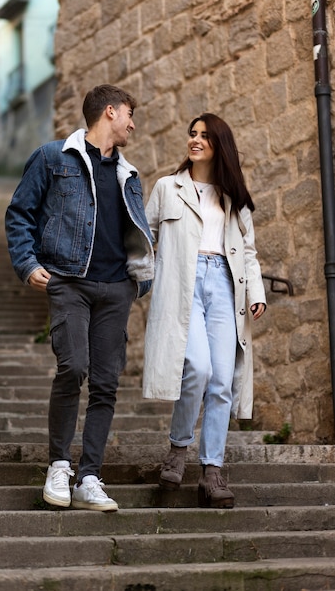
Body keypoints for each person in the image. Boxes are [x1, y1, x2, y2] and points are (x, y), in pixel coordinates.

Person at [5, 84, 154, 512]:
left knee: (106, 383)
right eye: (129, 114)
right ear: (110, 112)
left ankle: (89, 475)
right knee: (73, 367)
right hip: (68, 280)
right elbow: (20, 213)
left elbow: (135, 232)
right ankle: (58, 465)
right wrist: (28, 263)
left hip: (115, 288)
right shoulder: (54, 158)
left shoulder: (130, 174)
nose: (133, 123)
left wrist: (138, 281)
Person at [142, 113, 266, 509]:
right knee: (197, 367)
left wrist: (256, 292)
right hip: (184, 285)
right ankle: (179, 449)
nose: (194, 140)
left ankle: (212, 471)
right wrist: (142, 280)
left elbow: (248, 251)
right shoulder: (167, 187)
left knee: (223, 381)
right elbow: (145, 240)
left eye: (204, 136)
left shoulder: (233, 197)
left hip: (225, 287)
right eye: (192, 134)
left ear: (218, 145)